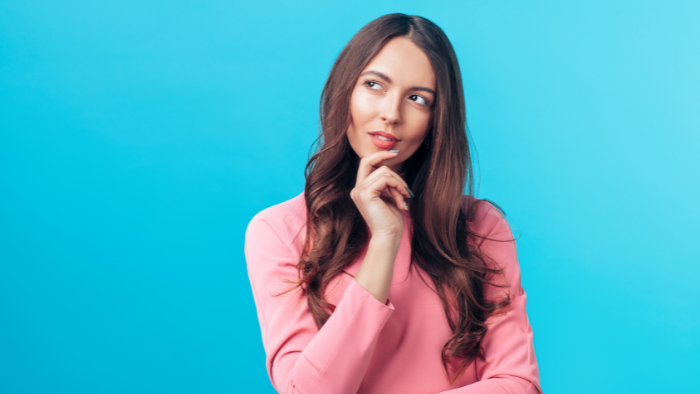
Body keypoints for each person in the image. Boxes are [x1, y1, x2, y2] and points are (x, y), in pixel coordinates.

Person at [244, 13, 542, 394]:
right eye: (374, 85)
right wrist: (385, 239)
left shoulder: (478, 225)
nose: (391, 113)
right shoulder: (278, 230)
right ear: (344, 90)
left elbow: (518, 384)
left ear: (437, 118)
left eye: (418, 98)